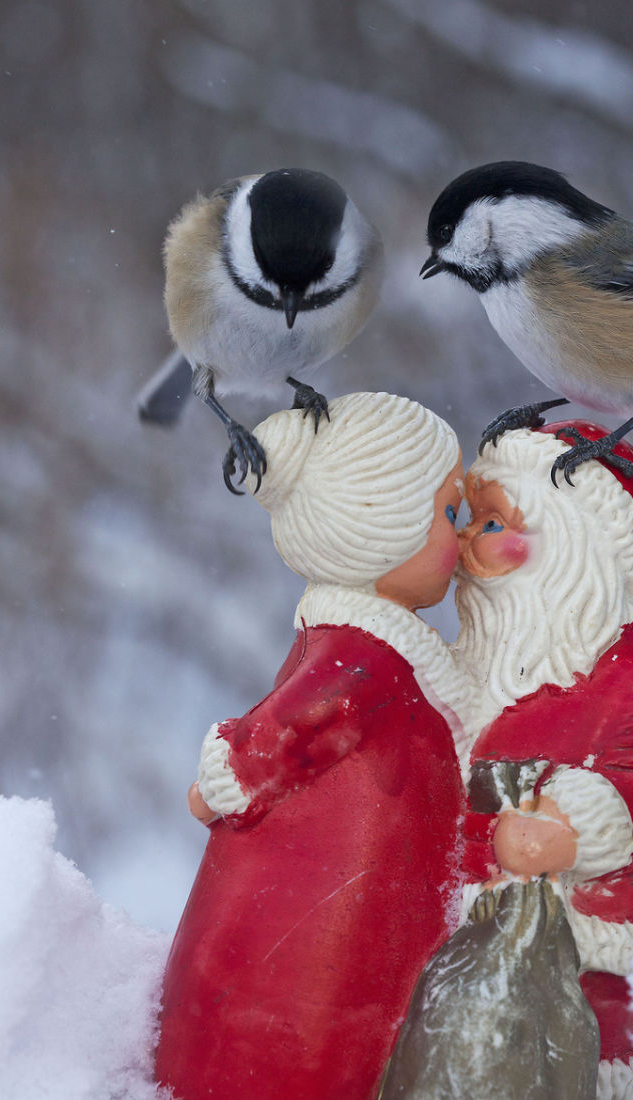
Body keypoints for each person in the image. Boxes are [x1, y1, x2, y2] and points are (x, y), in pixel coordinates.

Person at [154, 392, 475, 1100]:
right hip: (327, 918)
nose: (464, 534)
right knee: (316, 1048)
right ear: (383, 527)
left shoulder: (368, 643)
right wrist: (232, 770)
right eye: (449, 513)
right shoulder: (365, 657)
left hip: (343, 897)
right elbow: (289, 729)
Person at [453, 422, 633, 1100]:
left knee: (581, 1044)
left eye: (493, 520)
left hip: (596, 924)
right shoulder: (481, 658)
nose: (465, 538)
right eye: (466, 516)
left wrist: (570, 823)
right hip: (482, 924)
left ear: (568, 545)